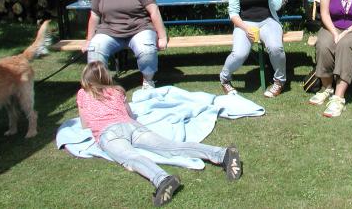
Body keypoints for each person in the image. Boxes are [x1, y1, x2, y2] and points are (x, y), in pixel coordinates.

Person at [76, 61, 242, 207]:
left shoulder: (83, 94)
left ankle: (162, 179)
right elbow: (129, 114)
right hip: (131, 126)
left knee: (131, 157)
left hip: (108, 133)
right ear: (106, 77)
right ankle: (223, 153)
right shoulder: (116, 91)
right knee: (172, 147)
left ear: (86, 80)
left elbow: (85, 123)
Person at [82, 0, 167, 90]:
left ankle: (148, 80)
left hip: (139, 29)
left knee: (146, 50)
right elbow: (95, 15)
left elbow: (154, 10)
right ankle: (100, 87)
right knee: (94, 49)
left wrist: (162, 37)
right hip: (109, 31)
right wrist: (89, 40)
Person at [220, 0, 287, 98]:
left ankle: (279, 81)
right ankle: (224, 79)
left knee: (276, 48)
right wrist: (245, 28)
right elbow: (233, 14)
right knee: (239, 54)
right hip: (244, 23)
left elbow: (277, 6)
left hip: (268, 20)